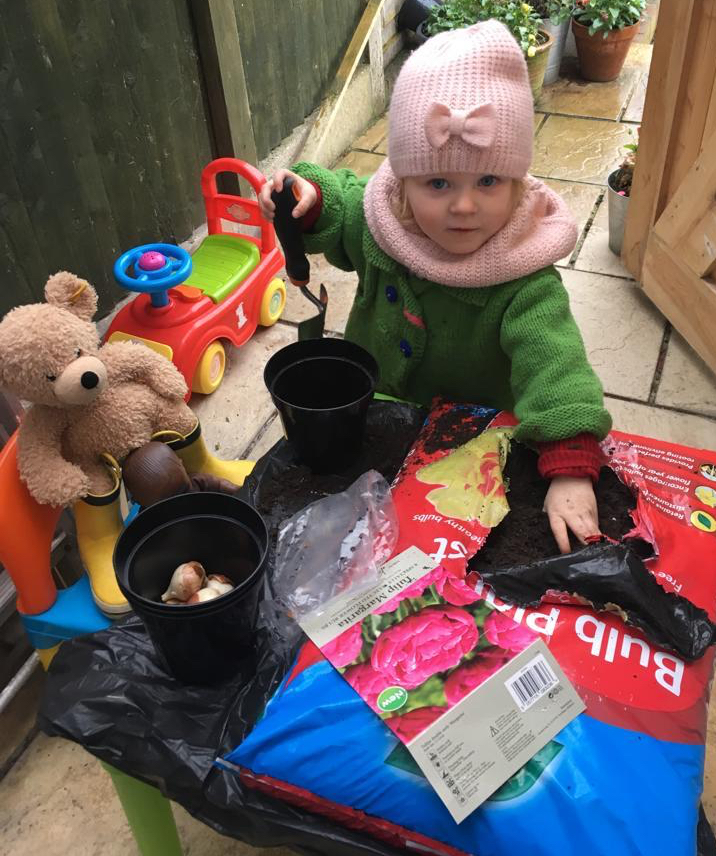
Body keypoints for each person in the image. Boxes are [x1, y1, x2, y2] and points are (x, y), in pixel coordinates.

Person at [258, 19, 612, 554]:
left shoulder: (524, 279)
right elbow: (344, 203)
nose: (464, 206)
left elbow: (557, 372)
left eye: (488, 182)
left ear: (518, 185)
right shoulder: (386, 227)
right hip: (376, 421)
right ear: (403, 184)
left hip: (471, 445)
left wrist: (569, 466)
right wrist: (310, 201)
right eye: (438, 183)